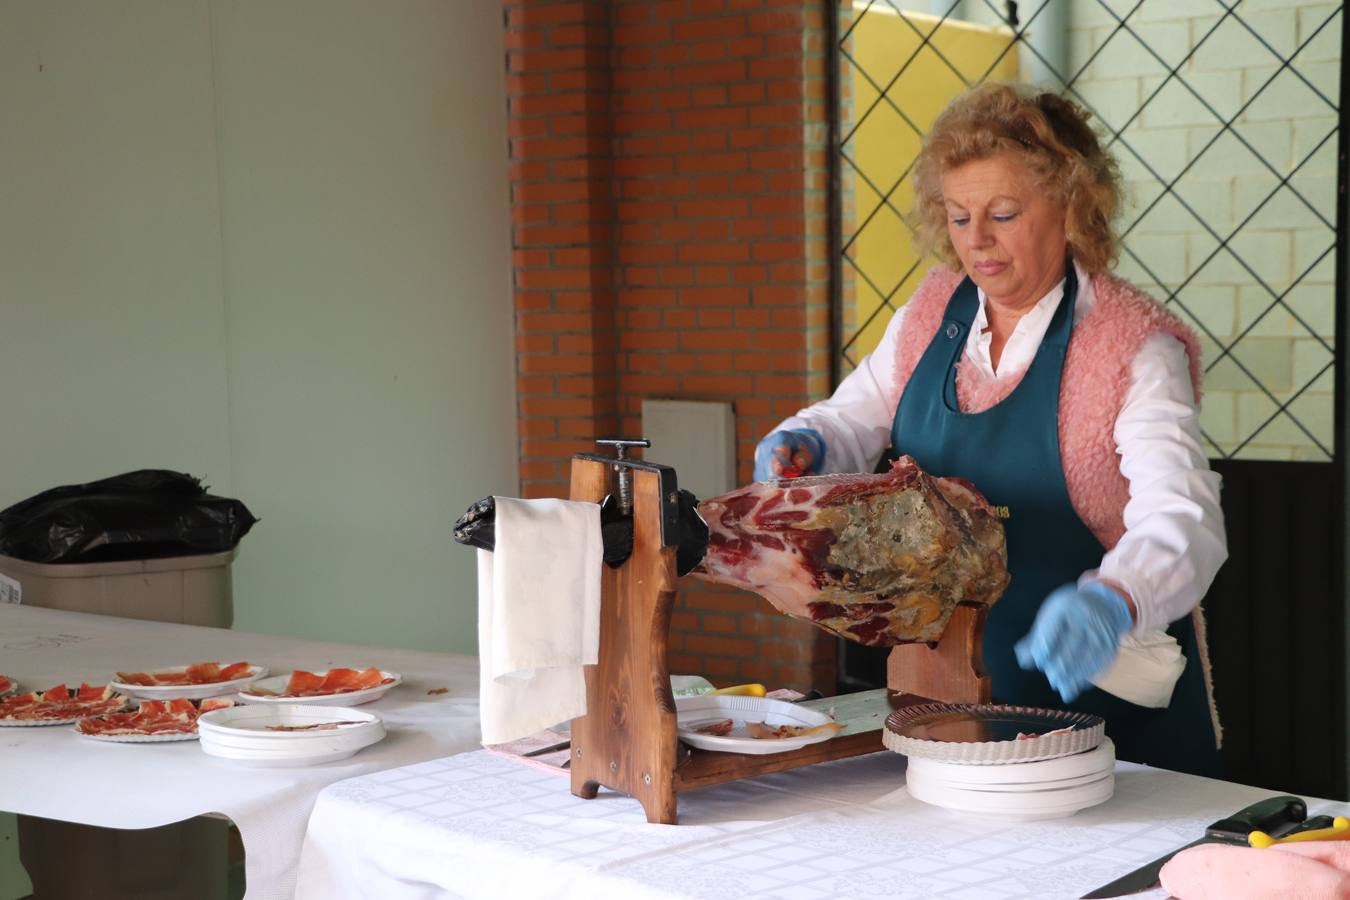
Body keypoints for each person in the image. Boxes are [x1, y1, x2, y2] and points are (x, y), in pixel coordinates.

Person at [753, 83, 1227, 776]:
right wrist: (809, 441)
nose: (977, 239)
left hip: (1102, 713)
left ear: (1070, 206)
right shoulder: (931, 313)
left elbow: (1185, 519)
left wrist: (1113, 600)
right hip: (943, 696)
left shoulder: (1129, 344)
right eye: (958, 215)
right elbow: (857, 411)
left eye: (1003, 213)